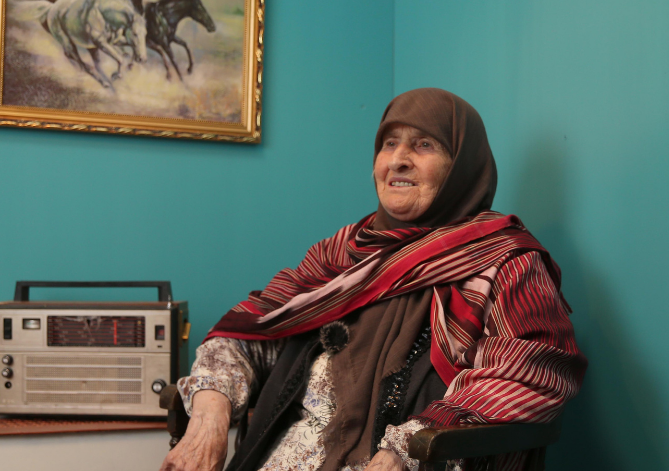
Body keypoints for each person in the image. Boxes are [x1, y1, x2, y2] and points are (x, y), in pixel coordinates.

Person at [159, 88, 587, 471]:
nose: (398, 159)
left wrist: (405, 451)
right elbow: (253, 332)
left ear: (461, 165)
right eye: (389, 143)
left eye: (424, 144)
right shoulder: (344, 251)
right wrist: (210, 415)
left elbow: (528, 373)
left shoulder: (504, 261)